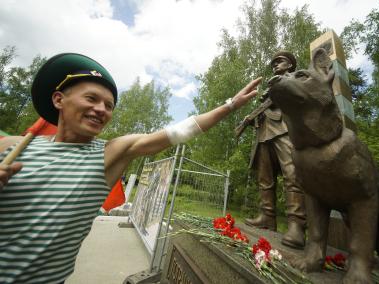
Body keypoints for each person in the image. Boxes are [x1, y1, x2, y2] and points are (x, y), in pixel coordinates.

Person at [0, 53, 261, 284]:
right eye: (91, 98)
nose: (101, 109)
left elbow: (178, 132)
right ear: (59, 99)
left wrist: (231, 105)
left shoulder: (109, 154)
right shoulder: (11, 148)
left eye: (109, 105)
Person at [243, 51, 306, 249]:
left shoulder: (297, 78)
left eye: (280, 61)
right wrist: (251, 118)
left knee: (291, 174)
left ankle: (296, 224)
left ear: (290, 65)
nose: (275, 65)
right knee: (264, 179)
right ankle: (267, 217)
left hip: (284, 130)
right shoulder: (271, 85)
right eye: (274, 63)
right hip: (264, 132)